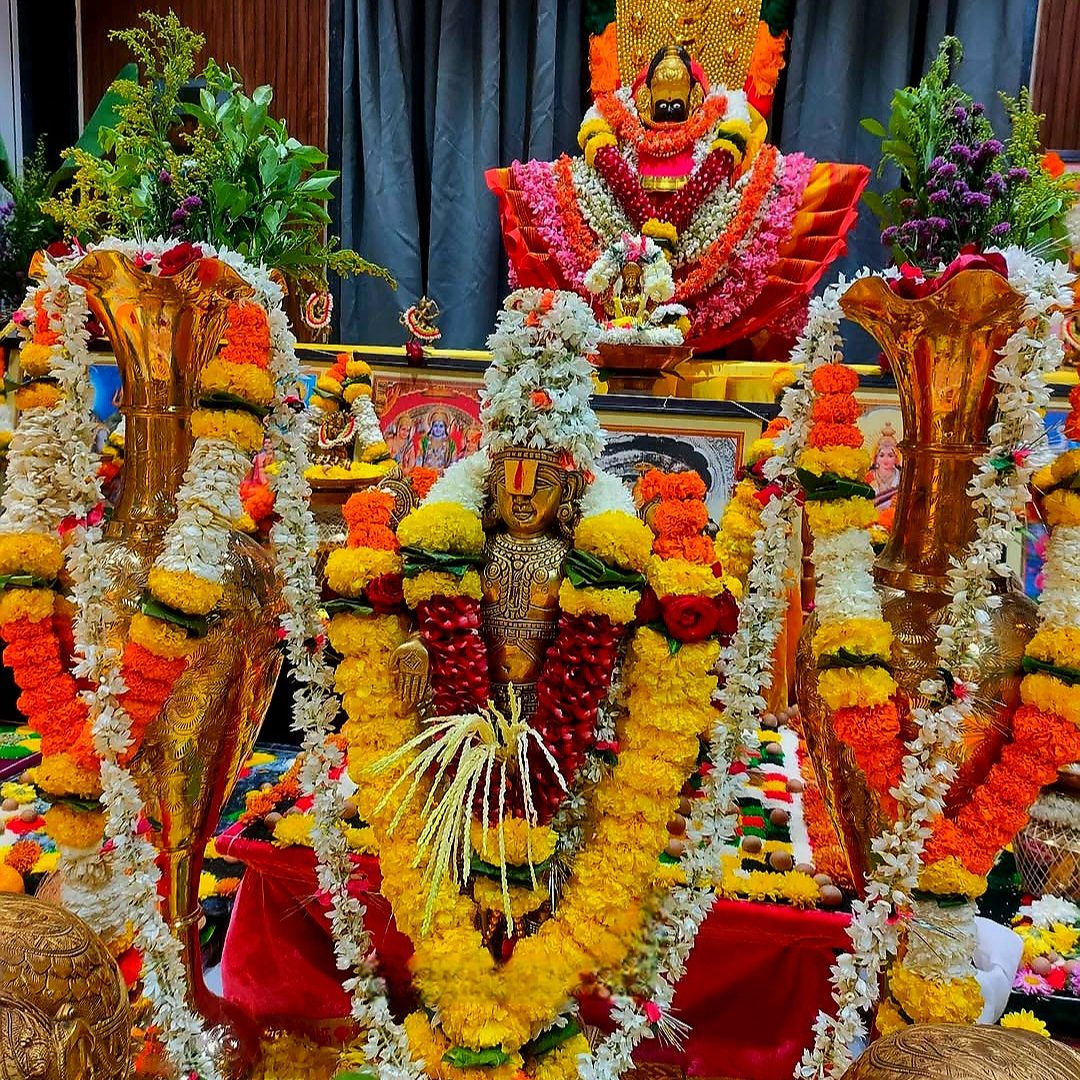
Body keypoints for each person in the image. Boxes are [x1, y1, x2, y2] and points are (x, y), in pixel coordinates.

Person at [867, 423, 901, 511]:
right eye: (881, 455)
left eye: (890, 455)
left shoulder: (902, 478)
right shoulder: (869, 477)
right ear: (876, 458)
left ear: (896, 458)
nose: (886, 459)